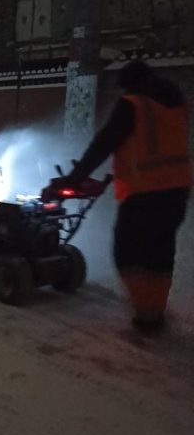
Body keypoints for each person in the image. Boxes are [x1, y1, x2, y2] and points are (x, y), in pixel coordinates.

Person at [63, 60, 192, 334]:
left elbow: (103, 145)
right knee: (159, 253)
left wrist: (72, 179)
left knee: (127, 253)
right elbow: (147, 146)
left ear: (130, 84)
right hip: (177, 192)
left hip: (145, 194)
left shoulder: (132, 104)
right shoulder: (175, 103)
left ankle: (144, 313)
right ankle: (155, 312)